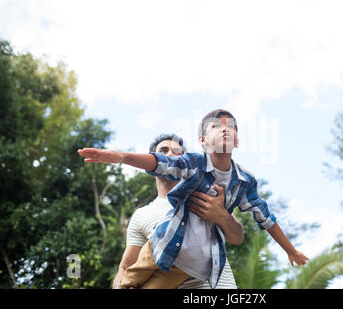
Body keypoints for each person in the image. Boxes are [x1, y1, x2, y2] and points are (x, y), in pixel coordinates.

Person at [78, 109, 309, 289]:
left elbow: (264, 218)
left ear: (237, 141)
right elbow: (160, 163)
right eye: (216, 126)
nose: (225, 130)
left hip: (192, 268)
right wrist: (121, 156)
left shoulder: (243, 182)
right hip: (163, 246)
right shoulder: (194, 166)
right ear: (203, 140)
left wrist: (291, 250)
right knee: (130, 281)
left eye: (232, 127)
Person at [112, 134, 243, 289]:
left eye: (177, 152)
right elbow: (126, 267)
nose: (170, 155)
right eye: (164, 150)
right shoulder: (142, 215)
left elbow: (237, 238)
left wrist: (222, 217)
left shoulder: (207, 194)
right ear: (152, 161)